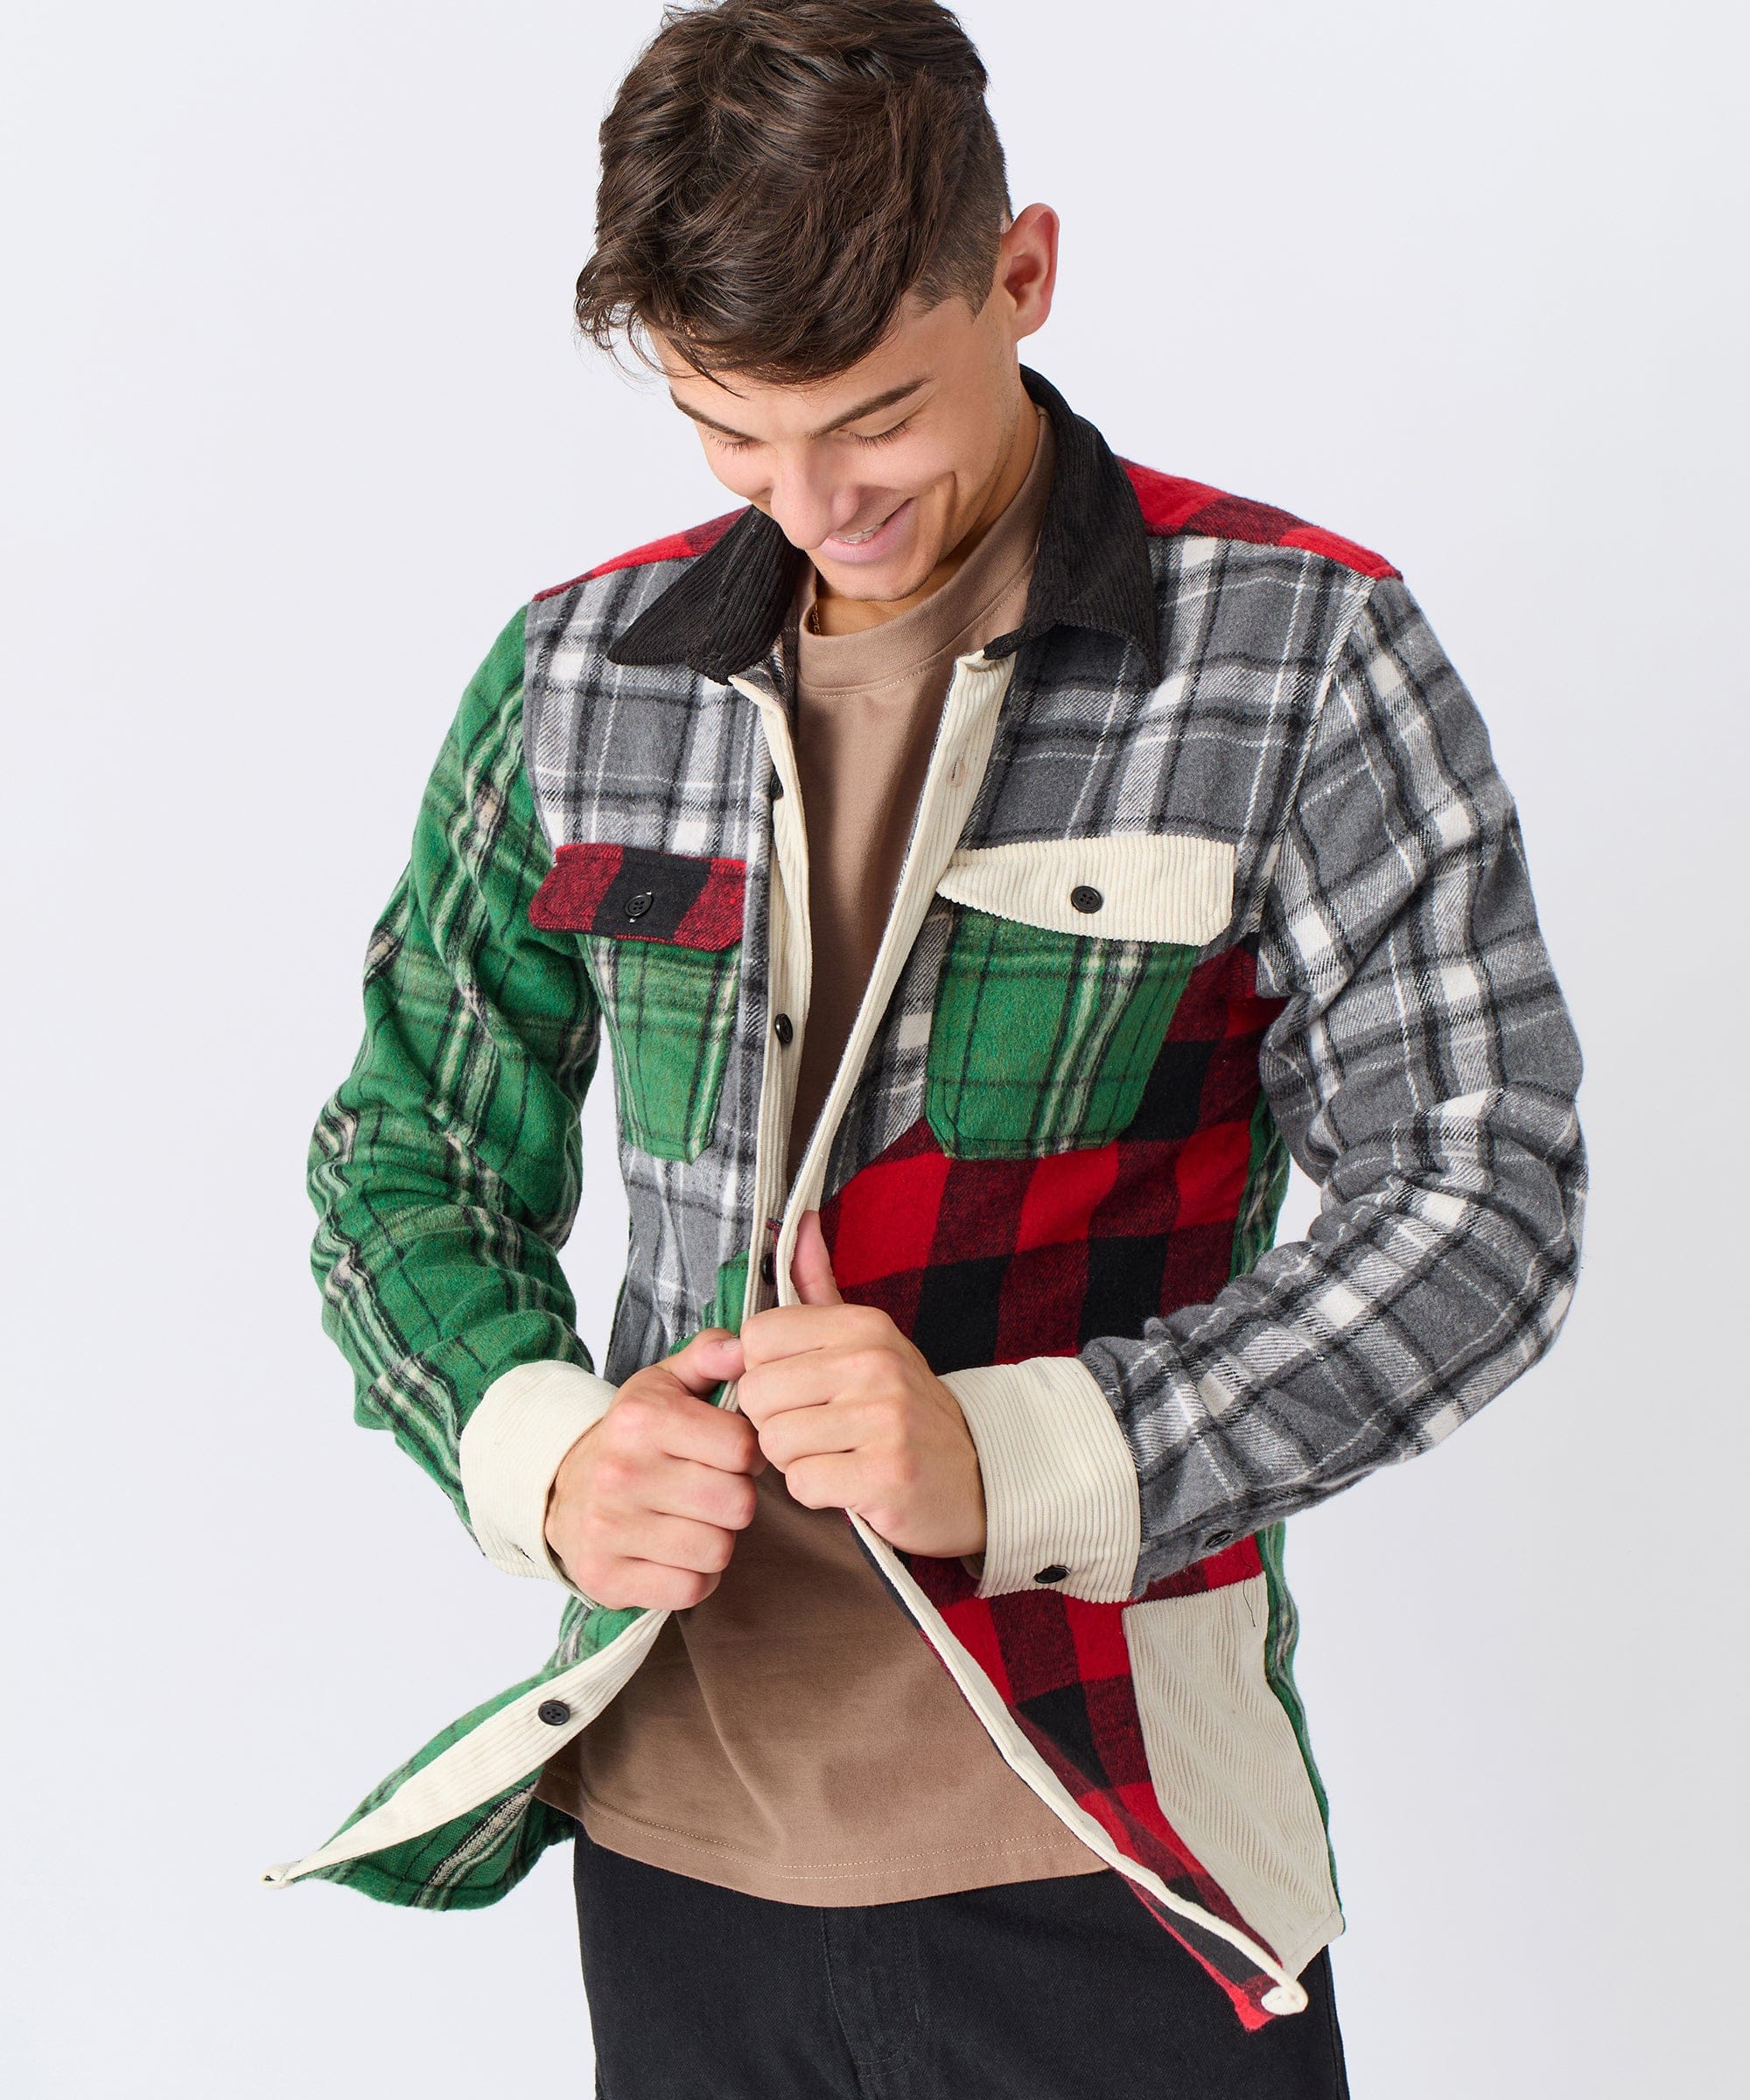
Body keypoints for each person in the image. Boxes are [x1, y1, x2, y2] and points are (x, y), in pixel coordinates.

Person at [267, 4, 1586, 2094]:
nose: (812, 505)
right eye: (728, 430)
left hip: (1114, 1844)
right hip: (673, 1845)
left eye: (873, 417)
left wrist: (1027, 1456)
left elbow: (1481, 1203)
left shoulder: (1302, 649)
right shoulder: (576, 674)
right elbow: (403, 1146)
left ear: (1022, 272)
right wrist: (540, 1449)